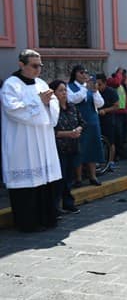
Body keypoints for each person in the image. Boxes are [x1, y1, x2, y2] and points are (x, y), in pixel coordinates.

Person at [1, 49, 62, 232]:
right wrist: (39, 102)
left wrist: (49, 102)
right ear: (22, 65)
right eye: (34, 66)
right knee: (28, 183)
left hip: (43, 141)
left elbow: (54, 106)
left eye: (40, 65)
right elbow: (13, 109)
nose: (38, 69)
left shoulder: (41, 83)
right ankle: (29, 223)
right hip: (22, 141)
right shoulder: (11, 85)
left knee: (46, 181)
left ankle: (48, 218)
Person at [49, 80, 83, 216]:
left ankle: (68, 204)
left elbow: (82, 122)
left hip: (73, 147)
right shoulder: (51, 110)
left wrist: (78, 129)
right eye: (60, 90)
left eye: (65, 90)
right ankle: (55, 207)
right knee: (59, 179)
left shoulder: (72, 107)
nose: (64, 93)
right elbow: (50, 131)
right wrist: (68, 134)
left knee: (69, 177)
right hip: (58, 148)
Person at [67, 65, 104, 187]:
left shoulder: (89, 87)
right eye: (81, 72)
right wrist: (85, 89)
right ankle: (78, 178)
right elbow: (73, 99)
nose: (84, 75)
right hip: (78, 122)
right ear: (75, 74)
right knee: (79, 149)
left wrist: (95, 92)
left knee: (92, 149)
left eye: (86, 72)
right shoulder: (70, 87)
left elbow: (100, 104)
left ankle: (92, 176)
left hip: (92, 121)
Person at [96, 74, 119, 170]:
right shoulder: (94, 92)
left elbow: (116, 106)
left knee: (110, 142)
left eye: (100, 84)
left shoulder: (111, 92)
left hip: (108, 120)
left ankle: (110, 161)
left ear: (105, 83)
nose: (98, 86)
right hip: (97, 120)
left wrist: (105, 111)